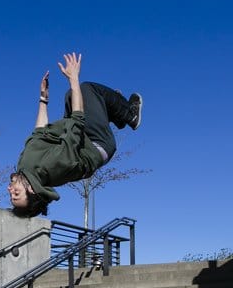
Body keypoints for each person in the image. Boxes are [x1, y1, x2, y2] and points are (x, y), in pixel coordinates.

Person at [8, 53, 142, 217]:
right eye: (16, 194)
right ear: (31, 190)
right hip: (97, 144)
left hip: (80, 138)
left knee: (71, 96)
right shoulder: (52, 166)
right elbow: (78, 121)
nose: (10, 190)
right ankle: (130, 116)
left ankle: (114, 113)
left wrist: (43, 98)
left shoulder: (24, 167)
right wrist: (73, 78)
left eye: (11, 195)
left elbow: (39, 132)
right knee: (86, 89)